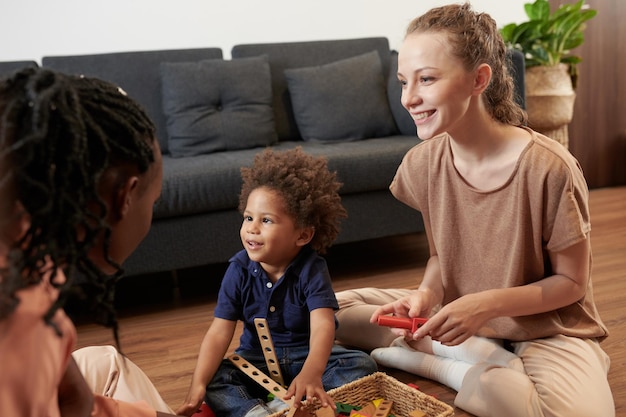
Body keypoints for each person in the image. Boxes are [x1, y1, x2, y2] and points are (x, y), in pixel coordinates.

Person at [334, 3, 615, 417]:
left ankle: (435, 361)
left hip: (545, 329)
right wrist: (427, 294)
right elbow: (438, 256)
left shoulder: (550, 168)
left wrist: (484, 305)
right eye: (403, 81)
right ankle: (470, 356)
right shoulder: (423, 162)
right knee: (317, 313)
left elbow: (571, 284)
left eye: (426, 79)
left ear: (479, 79)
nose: (409, 98)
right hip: (457, 313)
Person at [0, 67, 179, 416]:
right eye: (152, 201)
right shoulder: (21, 319)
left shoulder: (27, 251)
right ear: (124, 197)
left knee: (105, 360)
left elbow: (73, 399)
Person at [177, 147, 377, 417]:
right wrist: (197, 382)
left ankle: (298, 401)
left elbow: (323, 324)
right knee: (215, 378)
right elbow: (219, 331)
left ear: (303, 235)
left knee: (363, 365)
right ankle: (258, 412)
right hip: (255, 358)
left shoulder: (312, 268)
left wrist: (311, 371)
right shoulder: (238, 270)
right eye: (248, 217)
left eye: (266, 220)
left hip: (307, 355)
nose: (252, 228)